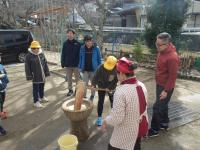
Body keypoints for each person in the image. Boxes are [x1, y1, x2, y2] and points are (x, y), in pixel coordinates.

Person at [101, 57, 148, 150]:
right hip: (140, 127)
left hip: (126, 132)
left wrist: (106, 120)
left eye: (117, 73)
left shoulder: (120, 92)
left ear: (122, 74)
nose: (116, 76)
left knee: (112, 147)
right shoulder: (142, 85)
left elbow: (117, 118)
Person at [148, 32, 179, 137]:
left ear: (167, 44)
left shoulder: (172, 57)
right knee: (163, 106)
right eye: (156, 43)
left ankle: (154, 130)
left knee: (157, 108)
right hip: (160, 84)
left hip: (165, 87)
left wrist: (166, 91)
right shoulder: (162, 51)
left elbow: (172, 76)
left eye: (159, 44)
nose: (157, 46)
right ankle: (164, 123)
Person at [91, 55, 118, 126]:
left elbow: (115, 80)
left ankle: (114, 116)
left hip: (111, 86)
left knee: (113, 100)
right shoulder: (101, 67)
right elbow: (95, 76)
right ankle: (99, 117)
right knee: (101, 101)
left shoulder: (116, 69)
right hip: (101, 85)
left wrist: (109, 88)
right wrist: (93, 84)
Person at [25, 40, 50, 108]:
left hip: (42, 74)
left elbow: (45, 63)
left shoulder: (41, 54)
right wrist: (29, 76)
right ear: (31, 48)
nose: (36, 49)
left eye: (37, 48)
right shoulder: (28, 56)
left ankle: (41, 97)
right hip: (35, 75)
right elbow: (27, 67)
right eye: (34, 48)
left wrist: (47, 72)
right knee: (35, 88)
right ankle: (36, 101)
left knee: (42, 86)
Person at [78, 35, 102, 101]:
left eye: (90, 41)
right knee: (84, 83)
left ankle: (92, 95)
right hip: (85, 69)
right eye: (87, 41)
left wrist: (99, 68)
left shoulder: (96, 48)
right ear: (85, 42)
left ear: (92, 41)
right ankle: (84, 95)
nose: (88, 43)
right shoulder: (82, 48)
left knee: (93, 83)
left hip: (94, 70)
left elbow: (99, 59)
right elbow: (80, 58)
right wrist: (79, 67)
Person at [61, 29, 81, 97]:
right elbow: (63, 54)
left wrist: (80, 64)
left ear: (74, 34)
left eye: (71, 33)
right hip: (68, 65)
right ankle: (70, 90)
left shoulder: (78, 43)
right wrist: (62, 63)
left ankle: (77, 91)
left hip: (76, 65)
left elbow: (80, 54)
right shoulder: (65, 43)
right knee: (69, 79)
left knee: (77, 79)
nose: (69, 35)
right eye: (68, 33)